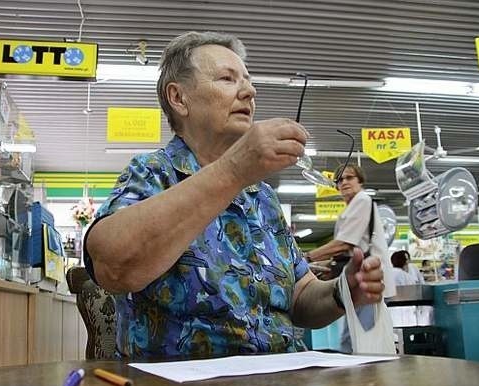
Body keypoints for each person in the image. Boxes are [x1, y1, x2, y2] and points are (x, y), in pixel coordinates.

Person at [83, 31, 385, 359]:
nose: (250, 91)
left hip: (280, 379)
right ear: (179, 98)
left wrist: (343, 291)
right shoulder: (153, 173)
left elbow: (299, 297)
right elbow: (112, 265)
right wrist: (234, 169)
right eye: (227, 78)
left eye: (248, 80)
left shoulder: (263, 198)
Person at [304, 163, 395, 353]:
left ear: (360, 181)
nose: (344, 182)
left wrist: (306, 256)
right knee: (354, 337)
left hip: (367, 278)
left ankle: (367, 379)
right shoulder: (351, 208)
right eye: (340, 179)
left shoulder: (362, 200)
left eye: (349, 177)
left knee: (359, 340)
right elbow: (344, 253)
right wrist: (318, 264)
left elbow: (345, 243)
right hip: (358, 278)